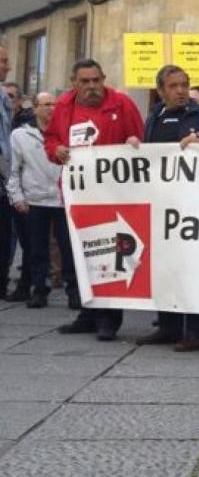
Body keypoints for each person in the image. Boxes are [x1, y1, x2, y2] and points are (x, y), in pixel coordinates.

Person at [134, 65, 199, 352]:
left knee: (193, 268)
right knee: (165, 267)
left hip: (196, 206)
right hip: (163, 204)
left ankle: (195, 331)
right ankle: (168, 326)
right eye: (173, 86)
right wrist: (136, 148)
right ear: (160, 91)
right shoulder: (154, 117)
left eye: (184, 84)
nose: (180, 90)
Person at [46, 58, 145, 341]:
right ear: (74, 83)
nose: (92, 87)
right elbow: (51, 140)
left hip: (112, 195)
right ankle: (87, 314)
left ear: (103, 79)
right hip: (77, 196)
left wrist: (133, 144)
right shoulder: (64, 106)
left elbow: (139, 137)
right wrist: (58, 151)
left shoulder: (122, 104)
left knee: (109, 255)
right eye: (85, 82)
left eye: (96, 80)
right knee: (77, 256)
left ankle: (108, 319)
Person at [6, 92, 78, 309]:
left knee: (68, 248)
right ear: (35, 108)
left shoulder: (68, 133)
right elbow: (13, 169)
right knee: (36, 249)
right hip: (34, 200)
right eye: (46, 105)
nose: (51, 109)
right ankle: (39, 289)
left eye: (54, 104)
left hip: (63, 200)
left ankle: (73, 290)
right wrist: (17, 196)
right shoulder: (20, 135)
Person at [0, 46, 30, 302]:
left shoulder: (2, 96)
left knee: (4, 233)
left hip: (4, 175)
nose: (8, 66)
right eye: (3, 61)